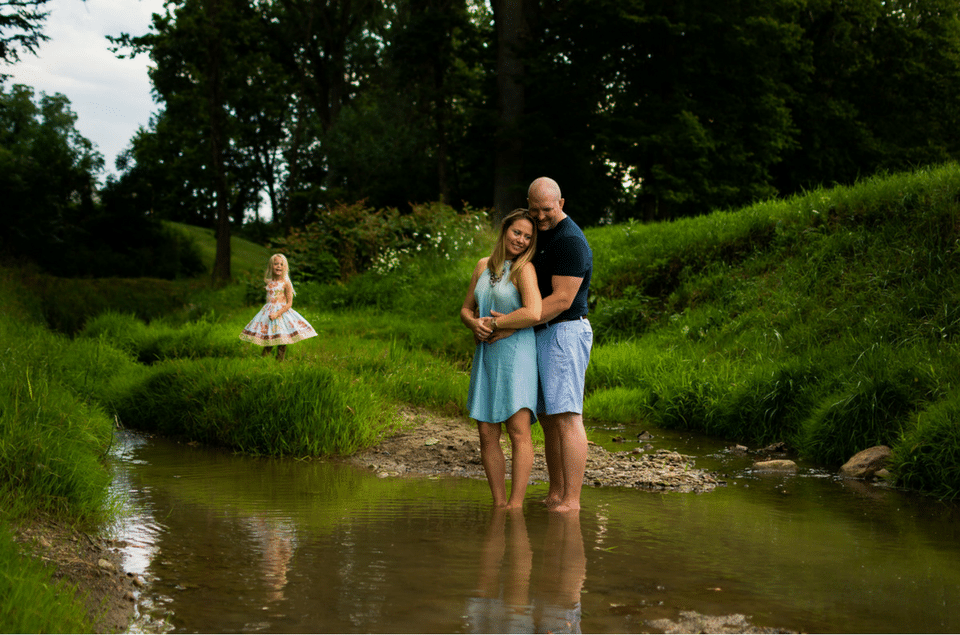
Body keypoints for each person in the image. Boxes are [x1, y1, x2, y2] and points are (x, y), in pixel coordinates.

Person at [494, 177, 593, 513]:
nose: (540, 216)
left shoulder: (570, 242)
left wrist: (510, 324)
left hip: (564, 332)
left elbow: (562, 300)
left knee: (567, 415)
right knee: (550, 417)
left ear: (561, 204)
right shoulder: (541, 232)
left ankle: (572, 501)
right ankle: (556, 493)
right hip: (541, 333)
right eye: (534, 210)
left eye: (547, 210)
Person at [460, 209, 542, 508]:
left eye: (528, 237)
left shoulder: (525, 269)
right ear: (504, 230)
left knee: (518, 430)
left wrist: (495, 324)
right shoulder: (483, 265)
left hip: (516, 353)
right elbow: (466, 309)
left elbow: (533, 312)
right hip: (486, 354)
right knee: (486, 432)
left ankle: (515, 505)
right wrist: (474, 324)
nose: (520, 240)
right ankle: (498, 504)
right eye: (516, 232)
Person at [239, 254, 317, 360]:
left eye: (281, 264)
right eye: (276, 264)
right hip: (269, 313)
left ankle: (280, 360)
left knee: (281, 337)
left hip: (281, 313)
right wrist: (269, 312)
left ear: (285, 267)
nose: (279, 266)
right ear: (271, 266)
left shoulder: (286, 283)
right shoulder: (269, 282)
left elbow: (289, 303)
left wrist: (277, 313)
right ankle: (264, 359)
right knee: (269, 335)